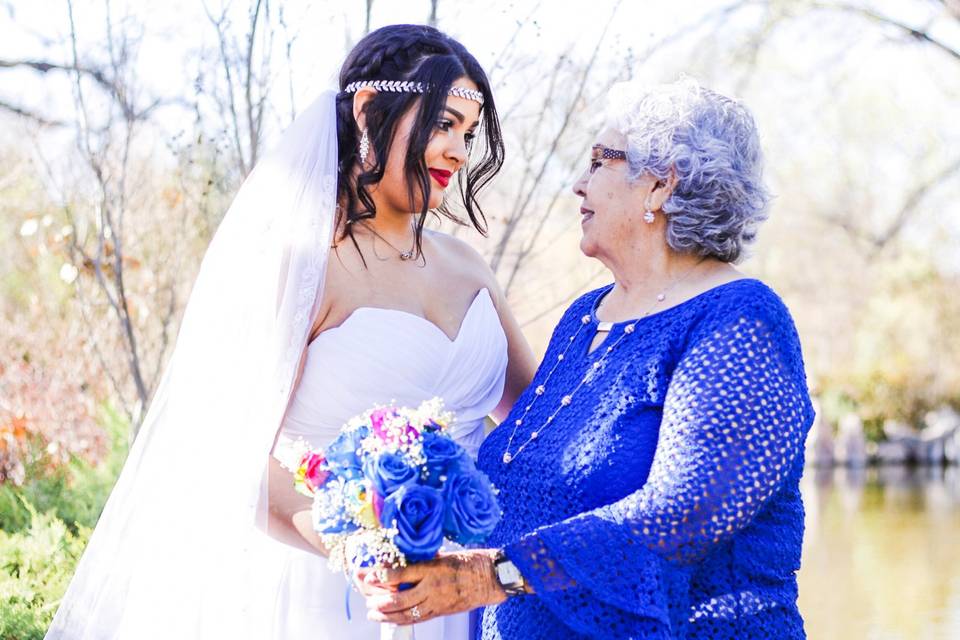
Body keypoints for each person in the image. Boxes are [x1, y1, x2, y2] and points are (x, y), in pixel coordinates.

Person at [46, 24, 536, 640]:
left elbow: (536, 419)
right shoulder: (301, 266)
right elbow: (231, 456)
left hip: (463, 597)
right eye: (442, 124)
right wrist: (360, 552)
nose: (460, 152)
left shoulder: (470, 267)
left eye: (468, 133)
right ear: (367, 111)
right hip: (331, 598)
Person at [359, 78, 815, 640]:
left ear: (661, 185)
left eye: (601, 161)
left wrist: (496, 574)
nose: (578, 184)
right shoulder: (583, 318)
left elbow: (684, 512)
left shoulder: (740, 320)